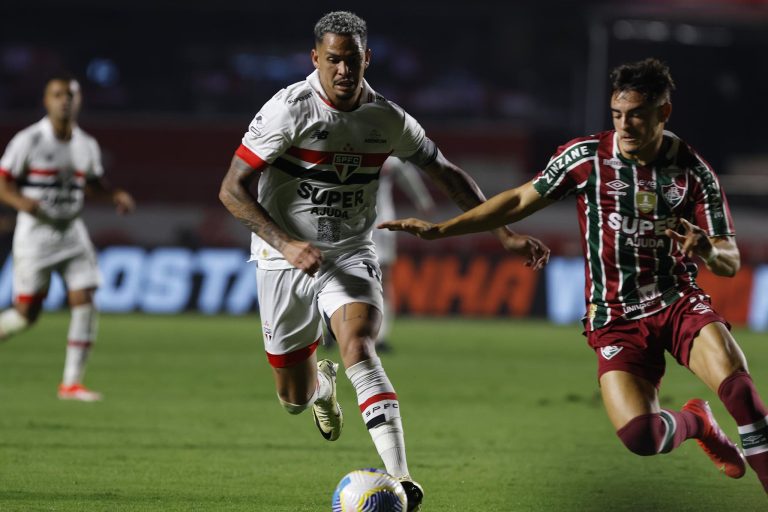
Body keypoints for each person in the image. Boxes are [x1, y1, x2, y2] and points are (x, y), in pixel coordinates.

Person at [380, 57, 768, 493]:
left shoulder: (693, 172)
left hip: (677, 301)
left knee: (742, 394)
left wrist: (707, 250)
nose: (625, 125)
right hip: (615, 317)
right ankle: (697, 422)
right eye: (618, 114)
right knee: (641, 437)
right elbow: (517, 199)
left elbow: (729, 258)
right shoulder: (586, 158)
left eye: (637, 115)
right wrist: (442, 230)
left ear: (663, 113)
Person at [218, 11, 549, 511]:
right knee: (294, 399)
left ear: (367, 58)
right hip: (282, 258)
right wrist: (286, 243)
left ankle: (401, 479)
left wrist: (501, 232)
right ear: (316, 59)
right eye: (333, 60)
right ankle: (321, 389)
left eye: (352, 60)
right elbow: (231, 189)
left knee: (360, 344)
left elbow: (447, 173)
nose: (343, 70)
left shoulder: (388, 119)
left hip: (351, 251)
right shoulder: (289, 110)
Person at [0, 75, 135, 402]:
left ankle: (71, 384)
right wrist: (21, 203)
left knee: (86, 300)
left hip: (72, 232)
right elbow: (4, 183)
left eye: (70, 95)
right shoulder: (28, 140)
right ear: (46, 101)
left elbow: (91, 184)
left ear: (79, 101)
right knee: (25, 315)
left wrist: (114, 194)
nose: (65, 101)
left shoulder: (86, 144)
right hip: (35, 235)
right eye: (58, 95)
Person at [372, 157, 434, 350]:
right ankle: (330, 327)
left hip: (382, 225)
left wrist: (422, 200)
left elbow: (407, 175)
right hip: (348, 224)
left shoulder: (390, 154)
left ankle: (380, 335)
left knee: (384, 278)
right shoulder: (344, 144)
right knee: (337, 274)